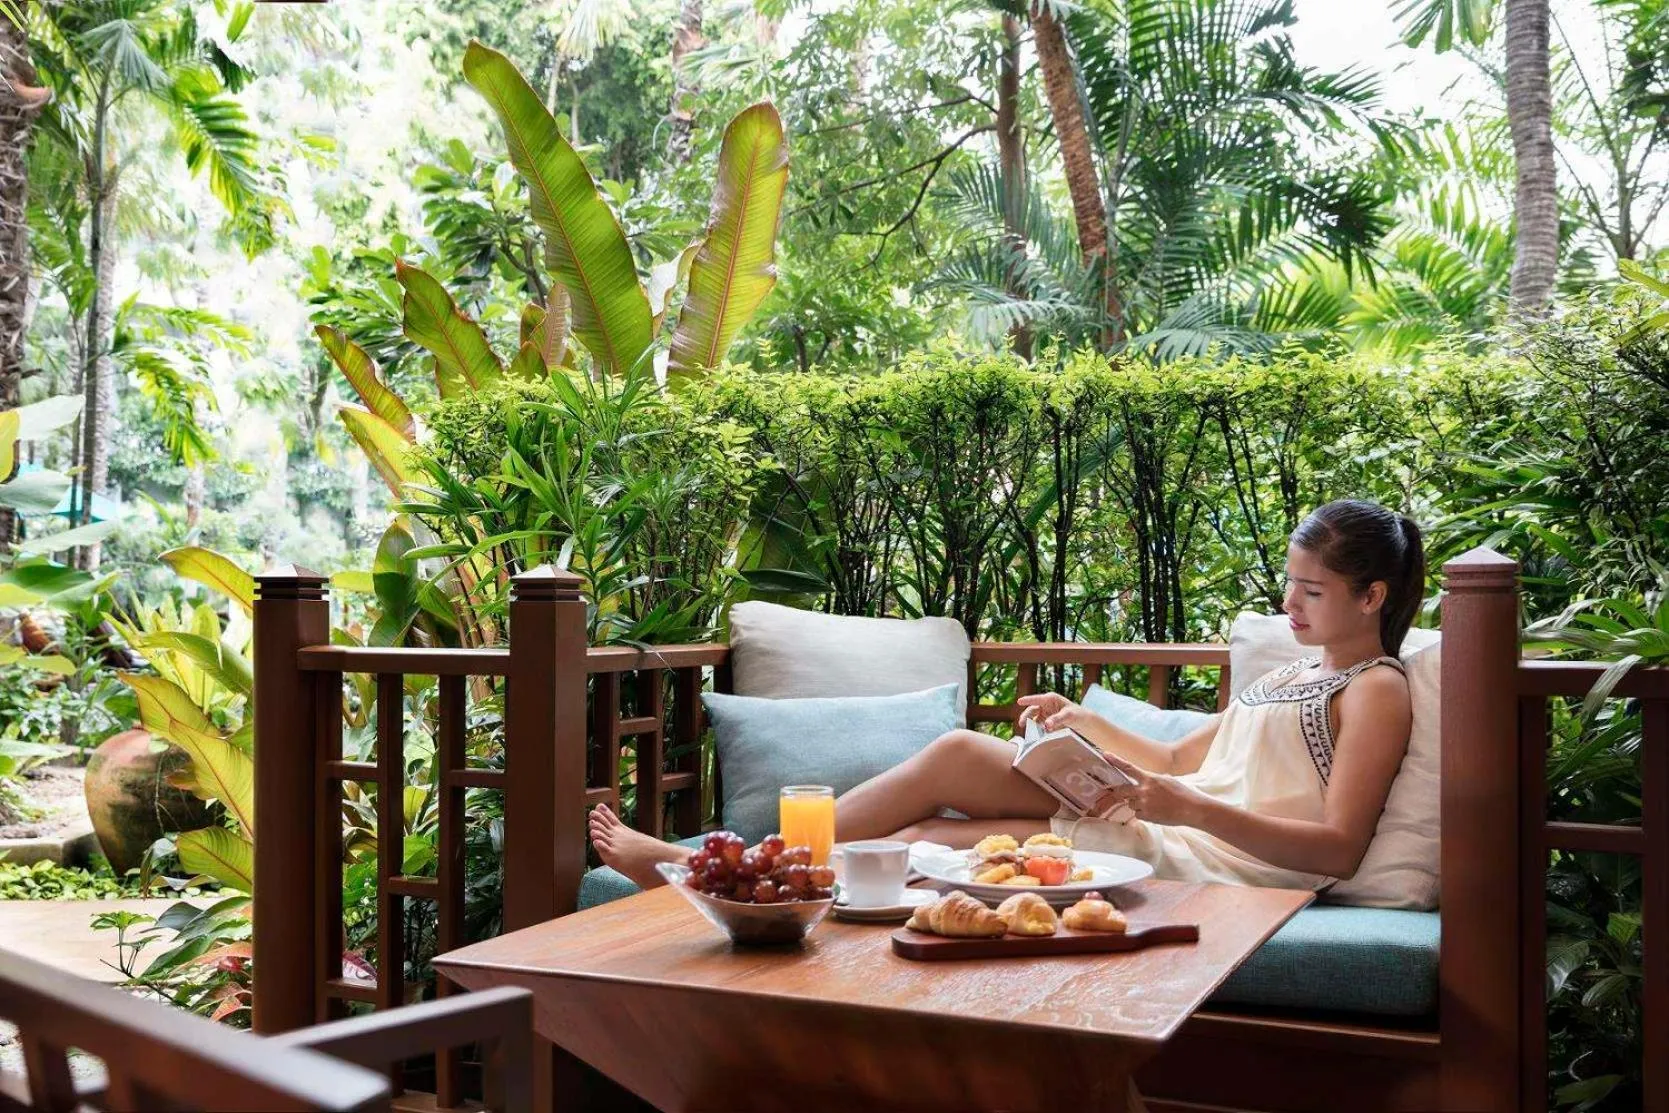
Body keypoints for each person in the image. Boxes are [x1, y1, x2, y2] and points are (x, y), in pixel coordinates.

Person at [591, 498, 1424, 894]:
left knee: (925, 835)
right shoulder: (1287, 672)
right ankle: (727, 867)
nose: (1288, 605)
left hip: (1221, 857)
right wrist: (1079, 722)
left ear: (1372, 597)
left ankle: (710, 871)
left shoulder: (1375, 688)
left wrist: (1186, 811)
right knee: (948, 772)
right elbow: (1173, 759)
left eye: (1309, 592)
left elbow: (1336, 849)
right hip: (1167, 816)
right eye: (1288, 584)